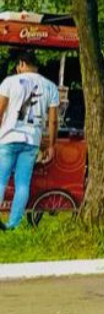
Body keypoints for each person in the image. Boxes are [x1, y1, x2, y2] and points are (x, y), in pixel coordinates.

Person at [0, 50, 61, 231]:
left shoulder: (9, 82)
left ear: (21, 64)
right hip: (32, 141)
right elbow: (54, 120)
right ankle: (13, 225)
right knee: (22, 183)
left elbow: (0, 111)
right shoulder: (50, 87)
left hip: (8, 137)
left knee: (1, 179)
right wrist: (51, 145)